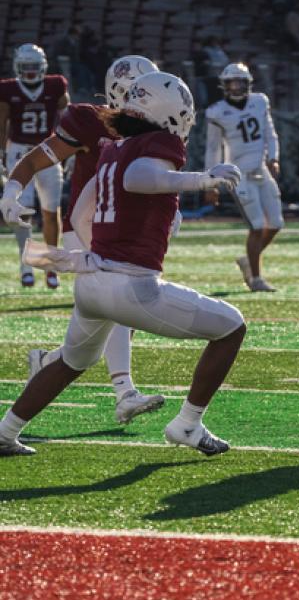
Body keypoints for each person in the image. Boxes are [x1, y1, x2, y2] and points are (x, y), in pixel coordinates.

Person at [0, 72, 247, 457]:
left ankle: (5, 432)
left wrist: (100, 249)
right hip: (131, 284)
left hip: (94, 278)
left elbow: (83, 208)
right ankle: (187, 423)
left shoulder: (114, 147)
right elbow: (139, 178)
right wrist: (203, 180)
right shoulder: (153, 143)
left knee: (71, 361)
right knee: (232, 327)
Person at [1, 55, 165, 425]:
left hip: (123, 229)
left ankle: (45, 363)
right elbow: (35, 159)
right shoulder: (91, 121)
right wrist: (11, 191)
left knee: (90, 341)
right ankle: (125, 393)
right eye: (143, 92)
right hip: (87, 228)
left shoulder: (156, 127)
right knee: (121, 304)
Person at [205, 63, 282, 292]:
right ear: (225, 85)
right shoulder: (216, 112)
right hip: (238, 175)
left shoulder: (260, 101)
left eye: (241, 82)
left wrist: (274, 157)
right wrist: (211, 183)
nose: (237, 86)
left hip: (262, 170)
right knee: (257, 226)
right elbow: (213, 149)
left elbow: (270, 132)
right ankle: (256, 278)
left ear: (248, 83)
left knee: (276, 224)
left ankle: (249, 259)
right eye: (232, 82)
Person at [0, 44, 69, 288]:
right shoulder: (8, 89)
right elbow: (2, 123)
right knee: (22, 210)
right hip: (18, 151)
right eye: (26, 67)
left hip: (49, 150)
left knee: (51, 211)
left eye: (34, 67)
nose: (30, 72)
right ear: (18, 68)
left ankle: (50, 267)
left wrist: (68, 149)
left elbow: (68, 118)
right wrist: (1, 155)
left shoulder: (55, 86)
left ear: (43, 67)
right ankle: (25, 265)